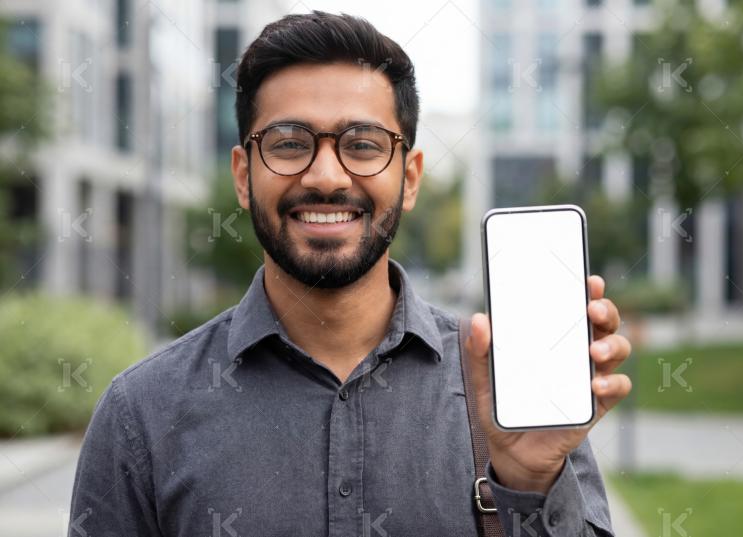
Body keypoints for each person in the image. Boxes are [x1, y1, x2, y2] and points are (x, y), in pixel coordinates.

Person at [68, 11, 632, 537]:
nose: (327, 176)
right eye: (289, 144)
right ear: (243, 176)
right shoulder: (142, 413)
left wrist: (529, 485)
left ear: (410, 178)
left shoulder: (509, 392)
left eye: (362, 145)